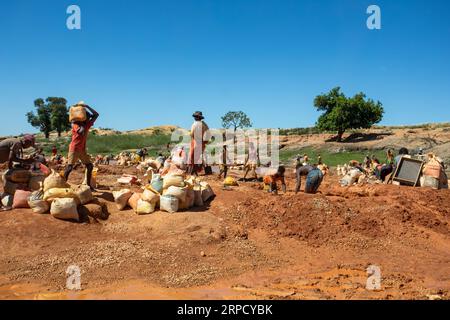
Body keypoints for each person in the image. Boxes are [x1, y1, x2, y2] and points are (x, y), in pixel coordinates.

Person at [64, 103, 99, 191]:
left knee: (90, 166)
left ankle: (88, 186)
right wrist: (84, 121)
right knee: (69, 167)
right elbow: (81, 131)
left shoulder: (86, 124)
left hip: (82, 149)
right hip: (74, 149)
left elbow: (96, 115)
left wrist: (87, 106)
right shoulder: (76, 125)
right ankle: (62, 183)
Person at [188, 111, 210, 175]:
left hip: (195, 141)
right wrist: (205, 141)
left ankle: (193, 171)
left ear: (197, 117)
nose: (194, 118)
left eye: (195, 116)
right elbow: (208, 134)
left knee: (192, 157)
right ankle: (194, 171)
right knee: (198, 157)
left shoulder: (195, 124)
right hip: (202, 142)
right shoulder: (205, 124)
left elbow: (191, 133)